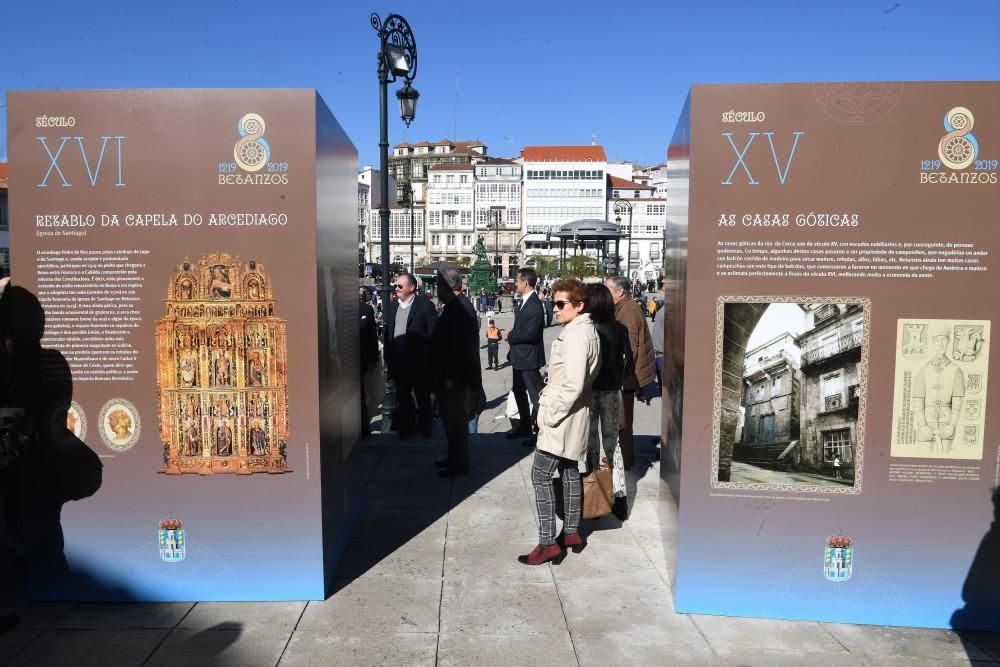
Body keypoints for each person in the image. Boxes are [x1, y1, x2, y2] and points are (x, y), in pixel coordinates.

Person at [519, 278, 600, 566]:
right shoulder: (585, 330)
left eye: (561, 304)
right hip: (575, 415)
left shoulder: (577, 335)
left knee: (540, 476)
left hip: (562, 417)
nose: (554, 309)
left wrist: (549, 415)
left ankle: (546, 543)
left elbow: (574, 384)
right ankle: (571, 531)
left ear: (579, 306)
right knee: (568, 471)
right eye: (553, 303)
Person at [586, 283, 633, 520]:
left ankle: (597, 496)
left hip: (591, 391)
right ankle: (621, 499)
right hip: (613, 392)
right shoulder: (620, 329)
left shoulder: (589, 330)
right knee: (613, 445)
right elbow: (630, 364)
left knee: (592, 444)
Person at [430, 267, 481, 477]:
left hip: (456, 380)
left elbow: (462, 348)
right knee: (450, 422)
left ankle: (459, 463)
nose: (436, 291)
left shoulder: (460, 309)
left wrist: (451, 377)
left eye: (438, 286)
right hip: (451, 377)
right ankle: (453, 457)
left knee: (456, 422)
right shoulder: (456, 306)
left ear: (447, 287)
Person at [604, 275, 656, 470]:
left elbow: (629, 348)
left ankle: (623, 460)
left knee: (622, 422)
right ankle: (622, 457)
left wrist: (616, 372)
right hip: (627, 375)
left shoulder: (628, 311)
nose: (605, 293)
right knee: (621, 420)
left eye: (608, 289)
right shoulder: (624, 307)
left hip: (626, 377)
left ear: (620, 291)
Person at [383, 273, 438, 439]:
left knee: (422, 396)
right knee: (403, 396)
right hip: (398, 361)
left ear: (411, 288)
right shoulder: (393, 306)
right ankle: (407, 429)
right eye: (395, 285)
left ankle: (425, 427)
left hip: (419, 361)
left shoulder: (425, 306)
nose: (396, 289)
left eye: (400, 286)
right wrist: (388, 358)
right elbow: (388, 333)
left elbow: (434, 334)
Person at [506, 268, 546, 446]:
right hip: (519, 356)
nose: (516, 283)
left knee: (537, 396)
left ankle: (542, 432)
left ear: (526, 283)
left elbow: (530, 333)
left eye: (518, 281)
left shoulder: (535, 305)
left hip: (529, 358)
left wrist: (510, 336)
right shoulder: (524, 302)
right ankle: (524, 426)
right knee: (519, 391)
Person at [913, 323, 964, 454]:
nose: (940, 344)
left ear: (948, 342)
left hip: (947, 422)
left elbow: (957, 402)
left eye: (944, 340)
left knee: (945, 458)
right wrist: (923, 425)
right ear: (933, 343)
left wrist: (952, 425)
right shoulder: (924, 370)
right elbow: (918, 401)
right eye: (937, 340)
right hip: (926, 421)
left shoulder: (956, 370)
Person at [359, 295, 379, 438]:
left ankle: (364, 428)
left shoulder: (366, 309)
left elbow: (372, 335)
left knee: (360, 394)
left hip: (360, 360)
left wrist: (373, 359)